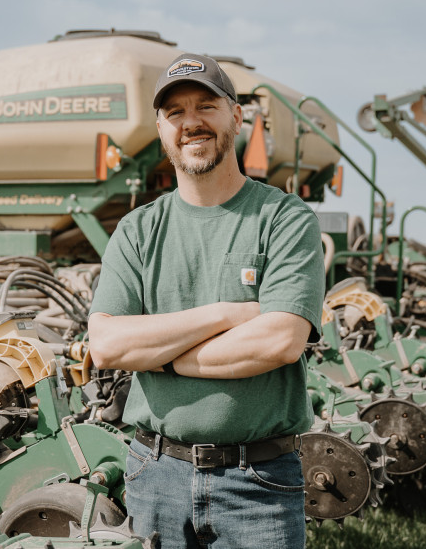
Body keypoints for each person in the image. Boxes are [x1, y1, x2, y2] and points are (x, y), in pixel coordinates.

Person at [88, 53, 325, 549]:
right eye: (175, 113)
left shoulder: (283, 219)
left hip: (257, 482)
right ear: (160, 129)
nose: (190, 122)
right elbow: (108, 346)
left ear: (236, 117)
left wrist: (160, 357)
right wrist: (223, 314)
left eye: (206, 106)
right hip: (154, 475)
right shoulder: (137, 231)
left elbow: (279, 340)